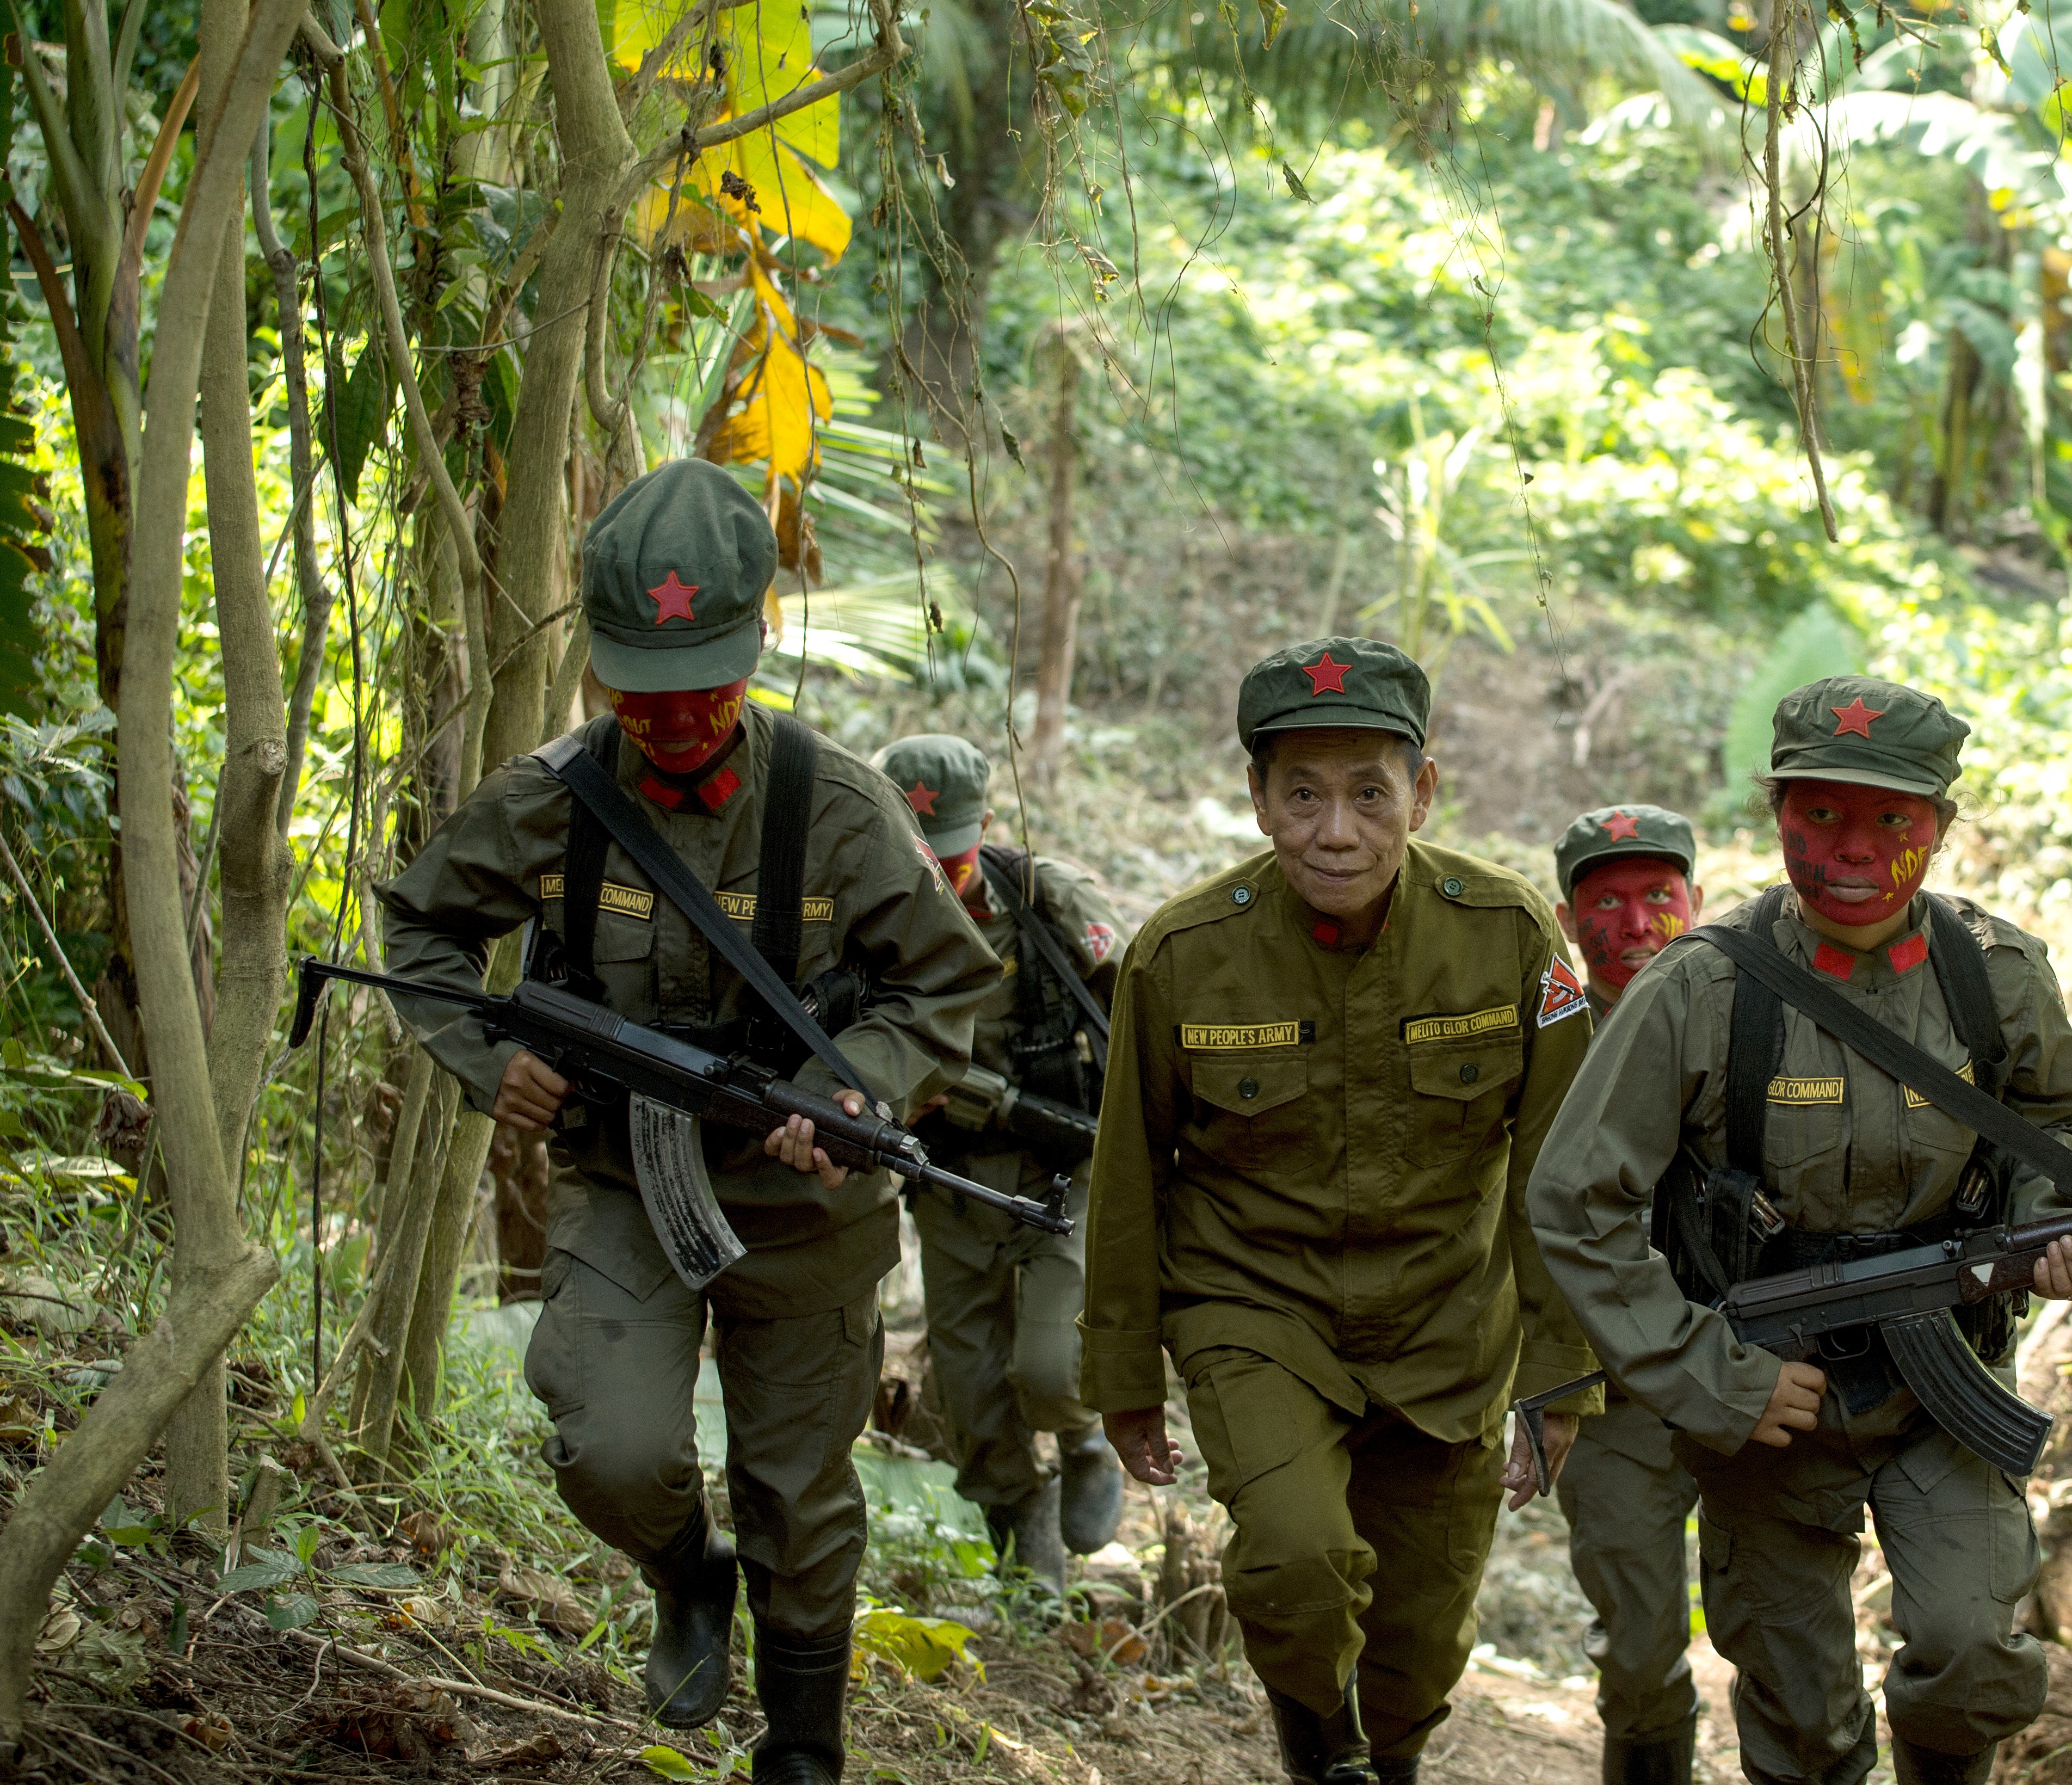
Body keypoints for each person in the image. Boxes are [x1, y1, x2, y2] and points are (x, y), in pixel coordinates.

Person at [378, 460, 1001, 1785]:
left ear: (757, 642)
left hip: (810, 1202)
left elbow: (945, 980)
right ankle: (684, 1571)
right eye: (638, 691)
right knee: (609, 1443)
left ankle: (804, 1749)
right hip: (622, 1174)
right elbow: (421, 926)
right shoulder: (553, 794)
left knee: (799, 1492)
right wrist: (491, 1057)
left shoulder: (835, 803)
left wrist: (855, 1088)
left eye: (704, 686)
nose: (670, 718)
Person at [1527, 676, 2072, 1785]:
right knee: (1801, 1720)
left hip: (1940, 1383)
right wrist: (1709, 1372)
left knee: (1970, 1651)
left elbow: (2051, 1139)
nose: (1852, 846)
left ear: (1941, 827)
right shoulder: (1701, 986)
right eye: (1820, 815)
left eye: (1890, 820)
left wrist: (2057, 1235)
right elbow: (1577, 1201)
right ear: (1778, 816)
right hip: (1771, 1400)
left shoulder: (1994, 976)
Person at [1081, 637, 1606, 1785]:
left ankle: (1389, 1752)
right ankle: (1322, 1752)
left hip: (1447, 1325)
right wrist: (1123, 1375)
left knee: (1419, 1647)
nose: (1337, 829)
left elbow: (1556, 1174)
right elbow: (1129, 1178)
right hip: (1254, 1307)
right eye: (1304, 793)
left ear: (1422, 790)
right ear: (1257, 797)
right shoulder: (1180, 955)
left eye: (1371, 792)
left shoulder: (1513, 937)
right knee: (1297, 1562)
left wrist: (1559, 1370)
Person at [871, 734, 1127, 1587]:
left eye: (954, 859)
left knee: (1053, 1371)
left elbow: (1136, 999)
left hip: (1059, 1167)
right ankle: (1027, 1551)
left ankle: (1089, 1439)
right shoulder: (867, 909)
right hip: (951, 1184)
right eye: (921, 861)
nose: (941, 880)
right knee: (974, 1398)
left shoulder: (1041, 896)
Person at [1546, 804, 1706, 1785]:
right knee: (1642, 1651)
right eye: (1606, 901)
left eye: (1659, 895)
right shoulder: (1543, 1043)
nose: (1637, 923)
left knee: (1783, 1644)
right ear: (1569, 919)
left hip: (1761, 1362)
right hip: (1613, 1393)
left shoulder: (1751, 1014)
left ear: (1699, 901)